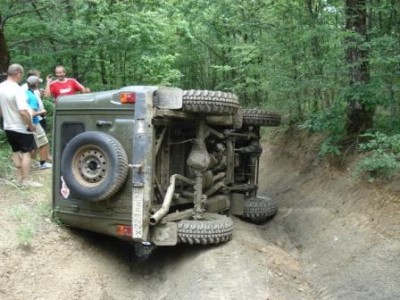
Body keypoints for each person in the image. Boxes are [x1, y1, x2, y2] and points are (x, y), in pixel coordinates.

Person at [0, 64, 42, 187]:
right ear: (18, 74)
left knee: (15, 151)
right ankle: (26, 181)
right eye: (22, 75)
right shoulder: (17, 89)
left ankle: (19, 178)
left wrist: (6, 117)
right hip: (21, 127)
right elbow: (23, 111)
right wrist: (30, 125)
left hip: (8, 126)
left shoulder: (1, 87)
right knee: (27, 153)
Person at [26, 75, 52, 170]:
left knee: (31, 145)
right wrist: (42, 112)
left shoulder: (27, 93)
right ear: (36, 84)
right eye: (38, 83)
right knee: (44, 142)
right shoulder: (32, 97)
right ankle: (43, 164)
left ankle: (28, 163)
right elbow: (32, 113)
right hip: (34, 122)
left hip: (28, 123)